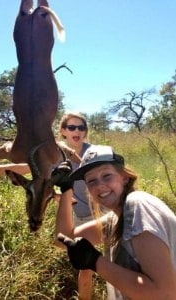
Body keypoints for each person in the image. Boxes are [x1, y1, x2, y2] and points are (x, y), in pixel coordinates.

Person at [53, 145, 176, 300]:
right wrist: (66, 190)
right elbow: (63, 239)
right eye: (91, 181)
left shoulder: (138, 204)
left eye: (107, 176)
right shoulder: (114, 219)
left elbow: (165, 295)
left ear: (124, 177)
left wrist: (95, 261)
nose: (99, 185)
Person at [57, 112, 96, 300]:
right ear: (63, 131)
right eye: (72, 127)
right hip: (78, 215)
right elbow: (25, 168)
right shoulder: (58, 156)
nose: (77, 131)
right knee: (85, 264)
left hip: (101, 213)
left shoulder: (93, 153)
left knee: (95, 264)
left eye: (81, 127)